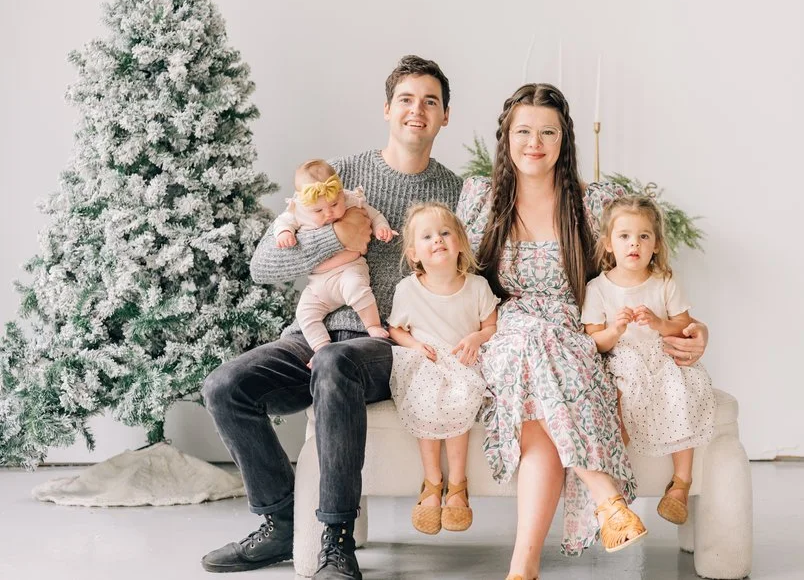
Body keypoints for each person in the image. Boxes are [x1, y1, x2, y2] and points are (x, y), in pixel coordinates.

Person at [200, 55, 462, 580]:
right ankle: (278, 521)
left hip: (385, 343)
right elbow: (263, 265)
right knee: (225, 385)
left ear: (444, 117)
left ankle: (336, 539)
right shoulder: (340, 176)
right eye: (406, 99)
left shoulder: (456, 193)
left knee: (338, 363)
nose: (418, 110)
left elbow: (476, 271)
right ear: (387, 109)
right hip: (313, 333)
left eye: (430, 101)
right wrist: (331, 237)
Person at [458, 83, 709, 580]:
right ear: (506, 136)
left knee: (542, 425)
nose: (535, 142)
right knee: (530, 334)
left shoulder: (595, 204)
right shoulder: (481, 199)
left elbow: (642, 278)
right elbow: (448, 277)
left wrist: (693, 328)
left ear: (564, 140)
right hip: (506, 336)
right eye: (524, 131)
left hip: (578, 340)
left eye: (547, 132)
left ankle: (523, 568)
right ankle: (606, 499)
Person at [581, 194, 715, 527]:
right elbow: (593, 339)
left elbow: (684, 325)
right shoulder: (598, 288)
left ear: (655, 245)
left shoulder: (664, 281)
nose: (634, 244)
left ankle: (680, 484)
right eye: (624, 236)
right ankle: (614, 483)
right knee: (622, 398)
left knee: (683, 390)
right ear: (609, 244)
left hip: (660, 353)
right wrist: (616, 329)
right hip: (621, 358)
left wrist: (659, 324)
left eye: (644, 236)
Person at [387, 202, 498, 535]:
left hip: (463, 361)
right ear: (414, 254)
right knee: (427, 399)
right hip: (427, 362)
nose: (438, 240)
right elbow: (395, 329)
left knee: (459, 399)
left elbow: (492, 325)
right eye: (427, 237)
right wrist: (416, 346)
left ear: (461, 242)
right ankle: (433, 482)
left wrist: (476, 338)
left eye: (445, 233)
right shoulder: (408, 289)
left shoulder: (476, 287)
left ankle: (458, 485)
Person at [275, 158, 396, 351]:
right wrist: (284, 233)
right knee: (304, 312)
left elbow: (375, 214)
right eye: (319, 210)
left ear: (340, 192)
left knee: (358, 288)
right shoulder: (297, 209)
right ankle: (321, 347)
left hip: (349, 268)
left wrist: (381, 227)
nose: (329, 213)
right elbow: (282, 222)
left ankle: (372, 325)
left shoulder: (349, 198)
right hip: (318, 283)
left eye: (334, 204)